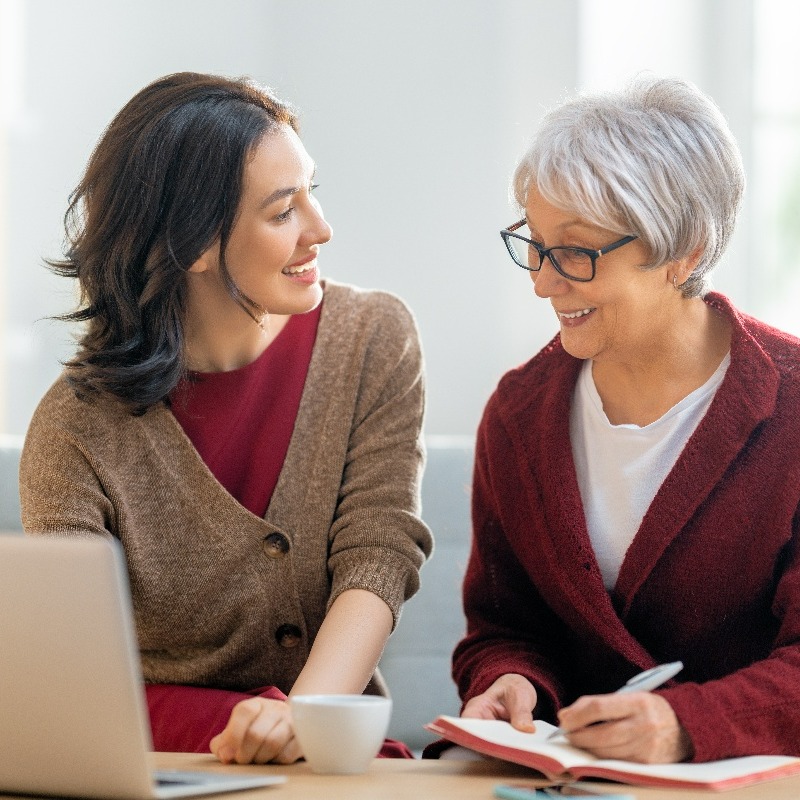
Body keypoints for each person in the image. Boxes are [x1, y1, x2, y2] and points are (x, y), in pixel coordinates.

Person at [19, 72, 432, 765]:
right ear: (195, 246)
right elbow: (76, 681)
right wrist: (244, 721)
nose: (321, 230)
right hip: (159, 759)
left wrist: (306, 718)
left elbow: (378, 555)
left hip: (326, 751)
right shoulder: (74, 432)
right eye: (281, 212)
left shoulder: (373, 339)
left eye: (312, 192)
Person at [449, 76, 800, 764]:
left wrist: (682, 725)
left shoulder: (792, 408)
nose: (543, 282)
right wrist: (507, 681)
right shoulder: (519, 416)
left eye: (576, 253)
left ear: (686, 251)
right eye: (535, 244)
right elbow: (501, 627)